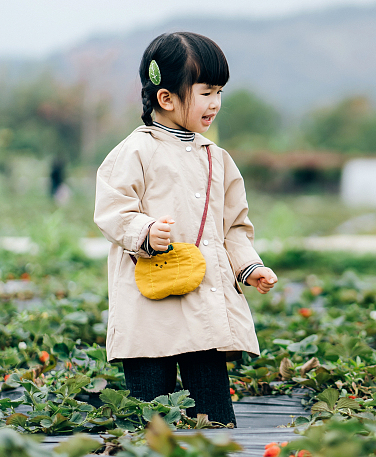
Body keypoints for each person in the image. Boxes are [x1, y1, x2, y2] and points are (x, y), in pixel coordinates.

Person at [94, 32, 278, 425]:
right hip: (151, 301)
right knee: (151, 418)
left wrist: (249, 266)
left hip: (203, 303)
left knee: (214, 417)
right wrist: (143, 231)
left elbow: (234, 227)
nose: (216, 103)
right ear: (167, 99)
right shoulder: (135, 151)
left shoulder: (219, 159)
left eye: (219, 92)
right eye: (207, 92)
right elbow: (112, 209)